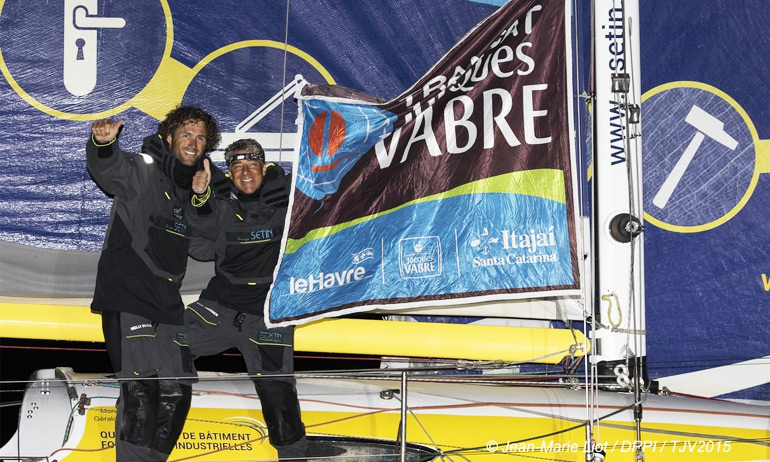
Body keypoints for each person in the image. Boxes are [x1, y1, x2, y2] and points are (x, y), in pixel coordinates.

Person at [87, 105, 223, 461]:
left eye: (200, 138)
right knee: (141, 393)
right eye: (186, 134)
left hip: (167, 303)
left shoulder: (194, 189)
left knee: (178, 393)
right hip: (129, 294)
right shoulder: (144, 169)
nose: (193, 143)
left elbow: (206, 247)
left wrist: (203, 201)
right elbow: (109, 169)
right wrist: (102, 144)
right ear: (169, 138)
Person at [185, 138, 307, 461]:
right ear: (230, 172)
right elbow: (199, 226)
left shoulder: (286, 200)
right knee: (166, 346)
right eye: (237, 166)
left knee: (279, 399)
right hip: (219, 309)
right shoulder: (222, 203)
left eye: (252, 164)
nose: (245, 171)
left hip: (268, 317)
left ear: (264, 168)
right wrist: (199, 197)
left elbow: (323, 205)